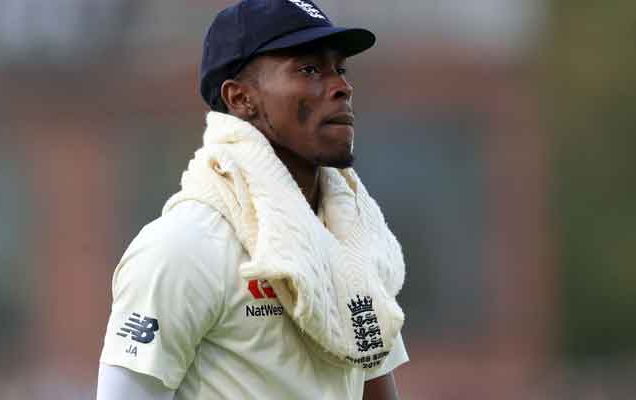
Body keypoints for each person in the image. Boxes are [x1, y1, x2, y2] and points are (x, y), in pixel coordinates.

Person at [97, 1, 408, 399]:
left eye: (340, 69)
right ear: (240, 98)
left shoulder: (353, 246)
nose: (341, 87)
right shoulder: (184, 246)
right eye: (309, 69)